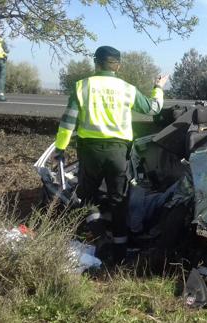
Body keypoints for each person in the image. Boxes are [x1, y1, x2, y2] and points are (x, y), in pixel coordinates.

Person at [53, 45, 168, 263]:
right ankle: (119, 253)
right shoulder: (126, 88)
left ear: (96, 63)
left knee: (87, 195)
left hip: (90, 151)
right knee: (118, 200)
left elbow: (68, 121)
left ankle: (97, 236)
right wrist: (158, 87)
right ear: (118, 65)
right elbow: (153, 109)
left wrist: (60, 148)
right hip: (118, 152)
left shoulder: (82, 86)